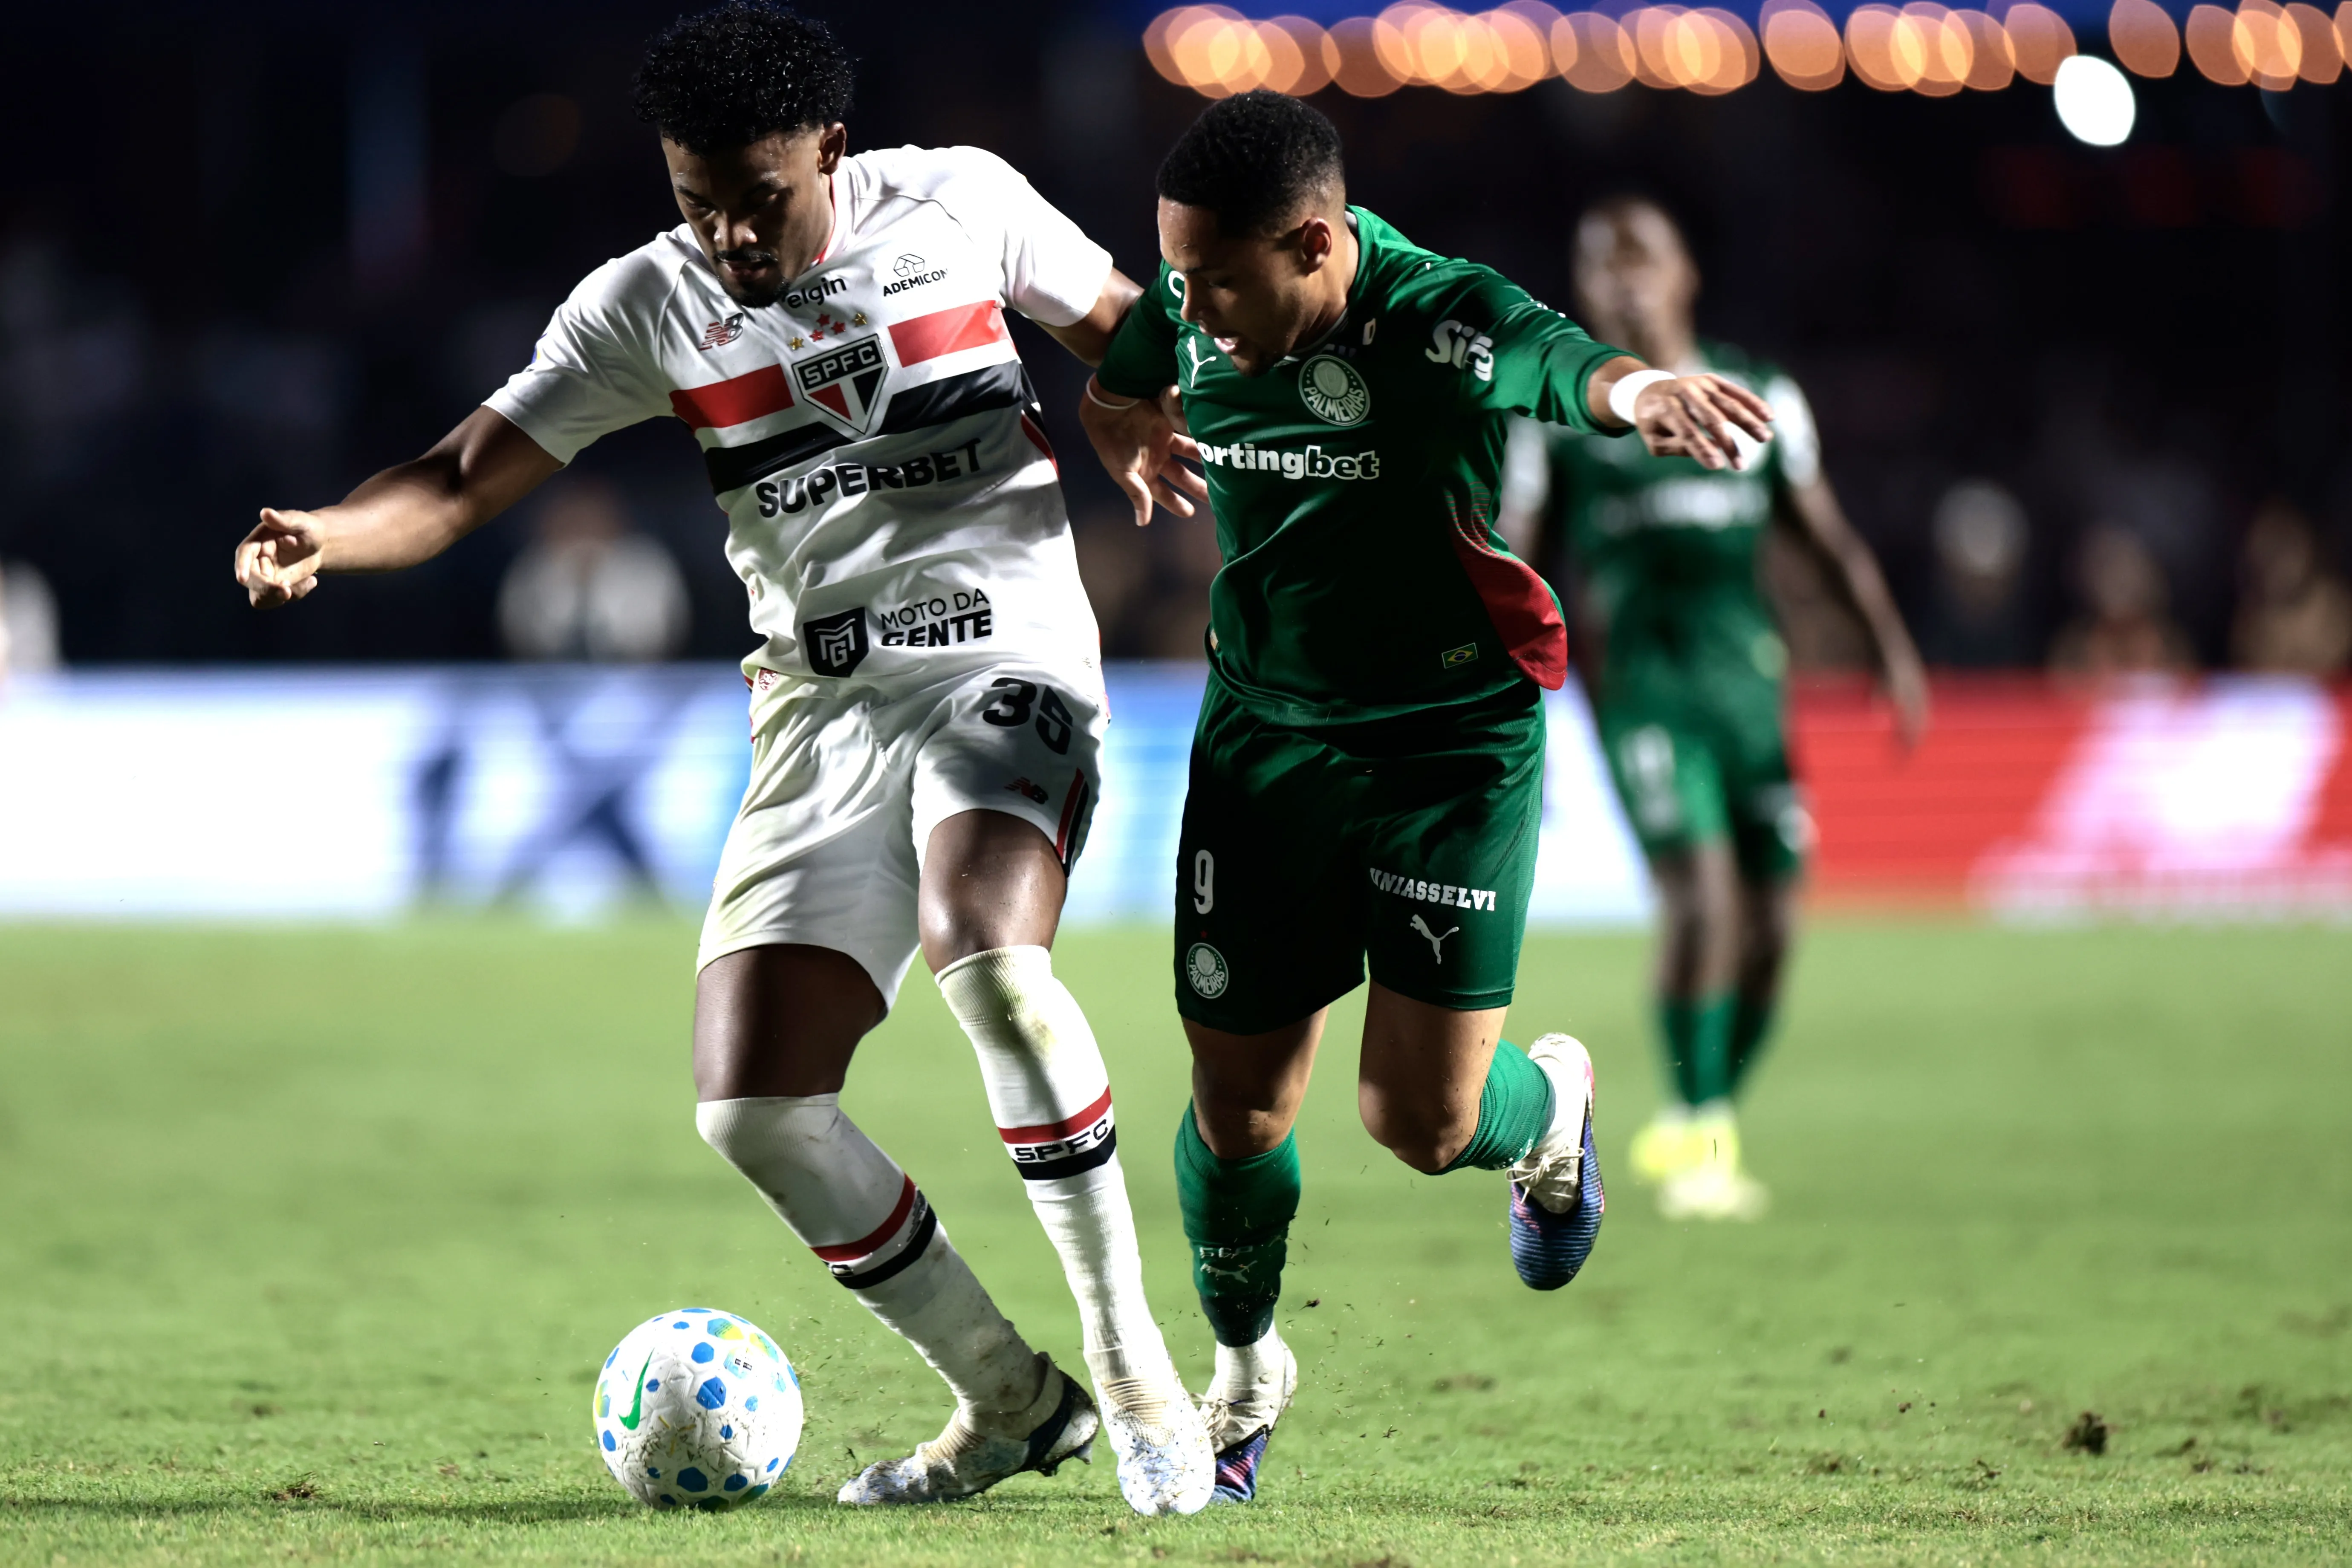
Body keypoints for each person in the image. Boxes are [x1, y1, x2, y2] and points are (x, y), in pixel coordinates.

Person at [233, 1, 1214, 1516]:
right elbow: (454, 475)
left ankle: (1136, 1362)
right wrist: (329, 536)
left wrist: (1130, 406)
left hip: (1001, 650)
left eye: (759, 199)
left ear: (831, 147)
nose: (733, 236)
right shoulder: (644, 303)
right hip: (816, 706)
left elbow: (1131, 324)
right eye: (700, 201)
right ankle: (1011, 1398)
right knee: (753, 1108)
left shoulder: (959, 200)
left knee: (993, 964)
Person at [1078, 92, 1778, 1503]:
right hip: (1264, 738)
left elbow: (1554, 361)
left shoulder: (1433, 311)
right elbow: (1117, 373)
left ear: (1316, 246)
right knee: (1239, 1112)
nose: (1190, 306)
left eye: (1220, 281)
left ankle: (1554, 1115)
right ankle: (1244, 1367)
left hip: (1448, 748)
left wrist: (1637, 391)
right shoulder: (1183, 297)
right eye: (1179, 274)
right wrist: (1118, 428)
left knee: (1421, 1122)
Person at [1498, 197, 1927, 1223]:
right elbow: (1514, 562)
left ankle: (1709, 1105)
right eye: (1598, 266)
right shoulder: (1563, 418)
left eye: (1640, 257)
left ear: (1687, 273)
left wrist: (1892, 652)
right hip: (1644, 698)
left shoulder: (1761, 396)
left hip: (1751, 695)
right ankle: (1699, 1129)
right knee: (1701, 899)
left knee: (1776, 919)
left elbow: (1823, 536)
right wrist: (1515, 712)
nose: (1621, 281)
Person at [2049, 522, 2193, 679]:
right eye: (2109, 573)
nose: (2119, 585)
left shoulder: (2172, 648)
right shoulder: (2074, 651)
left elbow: (2186, 691)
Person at [2232, 500, 2352, 675]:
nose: (2278, 565)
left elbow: (2333, 669)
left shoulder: (2334, 607)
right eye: (2268, 554)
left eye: (2286, 552)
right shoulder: (2251, 620)